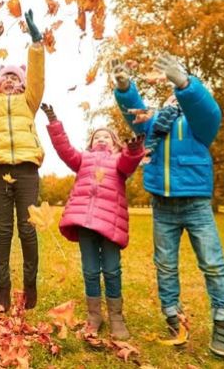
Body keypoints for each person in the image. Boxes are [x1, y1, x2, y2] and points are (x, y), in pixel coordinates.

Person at [112, 52, 224, 357]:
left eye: (178, 91)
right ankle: (173, 317)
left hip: (196, 204)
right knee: (165, 265)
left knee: (212, 263)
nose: (173, 97)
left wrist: (185, 84)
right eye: (171, 91)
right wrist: (126, 88)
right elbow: (134, 114)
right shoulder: (154, 124)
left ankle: (223, 323)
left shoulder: (199, 124)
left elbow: (208, 110)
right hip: (163, 206)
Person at [42, 103, 145, 339]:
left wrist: (134, 149)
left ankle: (116, 317)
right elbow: (65, 149)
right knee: (90, 271)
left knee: (111, 270)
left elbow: (130, 161)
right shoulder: (83, 159)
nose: (102, 139)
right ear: (90, 143)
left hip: (110, 225)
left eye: (107, 137)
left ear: (116, 144)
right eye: (97, 136)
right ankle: (94, 316)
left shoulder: (119, 161)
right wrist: (54, 122)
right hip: (85, 223)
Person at [0, 11, 45, 311]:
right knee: (3, 230)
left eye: (16, 77)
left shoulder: (30, 101)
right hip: (0, 169)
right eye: (6, 77)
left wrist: (36, 42)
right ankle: (3, 289)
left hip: (27, 169)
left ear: (23, 83)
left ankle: (29, 286)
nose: (10, 81)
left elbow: (38, 76)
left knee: (27, 229)